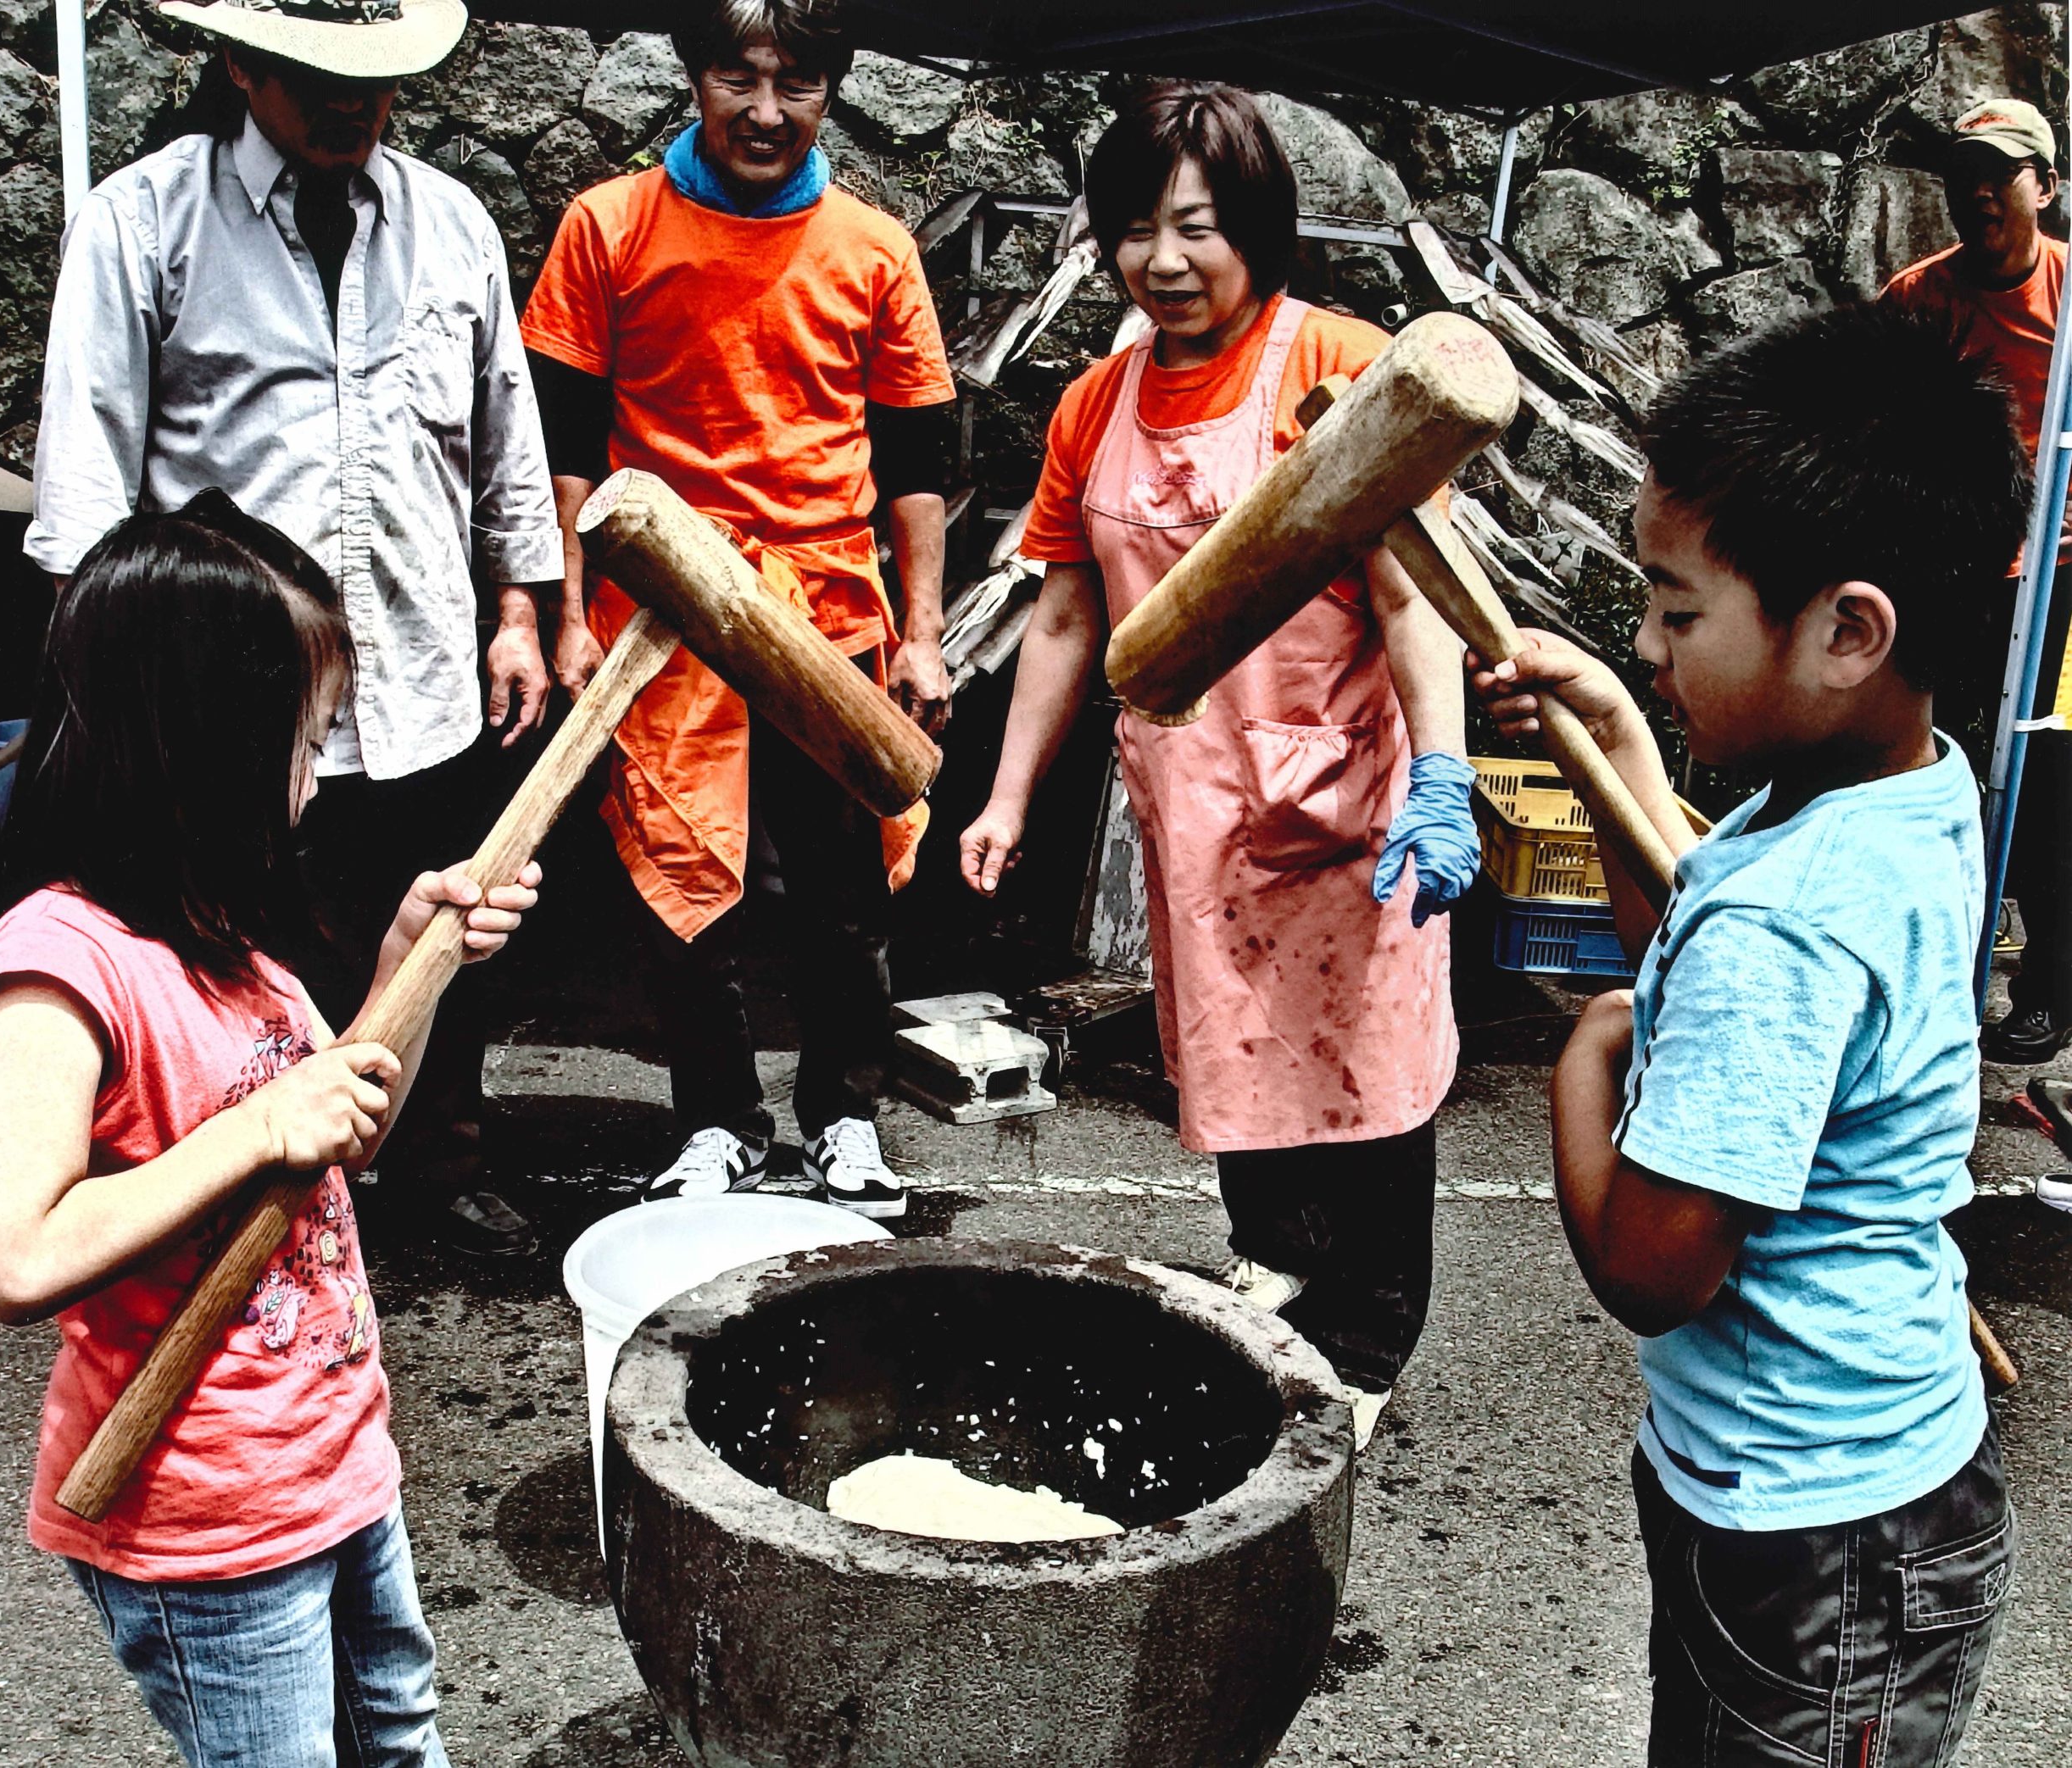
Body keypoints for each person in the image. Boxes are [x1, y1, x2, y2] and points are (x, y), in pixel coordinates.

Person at [1470, 304, 2023, 1764]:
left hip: (1820, 1544)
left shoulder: (1794, 918)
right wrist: (1616, 745)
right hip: (1830, 1498)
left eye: (1676, 611)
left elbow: (1653, 1268)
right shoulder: (1893, 791)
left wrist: (1586, 1060)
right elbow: (1690, 940)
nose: (1646, 643)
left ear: (1847, 632)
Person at [0, 492, 539, 1766]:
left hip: (336, 1459)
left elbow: (347, 1135)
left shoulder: (234, 948)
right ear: (200, 741)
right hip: (202, 1518)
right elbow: (12, 1254)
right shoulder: (59, 966)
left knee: (399, 1737)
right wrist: (260, 1127)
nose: (315, 776)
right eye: (303, 739)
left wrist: (411, 963)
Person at [957, 83, 1482, 1452]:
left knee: (1368, 1070)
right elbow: (1066, 615)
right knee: (1234, 1050)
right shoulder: (1094, 404)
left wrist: (1444, 773)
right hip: (1197, 802)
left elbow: (1415, 596)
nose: (1164, 260)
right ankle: (1279, 1256)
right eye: (1136, 230)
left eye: (1196, 226)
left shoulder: (1344, 368)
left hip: (1348, 798)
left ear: (1259, 226)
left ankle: (1368, 1334)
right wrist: (1007, 795)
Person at [24, 0, 562, 1254]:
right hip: (234, 696)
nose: (348, 103)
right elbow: (87, 485)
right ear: (241, 63)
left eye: (372, 80)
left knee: (441, 923)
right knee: (237, 951)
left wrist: (519, 610)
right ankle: (248, 1192)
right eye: (315, 75)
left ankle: (439, 1162)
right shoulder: (141, 222)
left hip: (423, 661)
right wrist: (116, 695)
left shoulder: (451, 223)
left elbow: (505, 438)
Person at [520, 0, 954, 1218]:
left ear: (830, 89)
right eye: (737, 76)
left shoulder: (874, 248)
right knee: (680, 875)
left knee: (846, 889)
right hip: (663, 604)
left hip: (826, 604)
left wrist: (922, 633)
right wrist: (567, 612)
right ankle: (714, 1120)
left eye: (795, 81)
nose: (765, 110)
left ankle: (847, 1115)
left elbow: (918, 459)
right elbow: (563, 443)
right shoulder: (608, 225)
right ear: (695, 76)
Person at [1880, 97, 2069, 1064]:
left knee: (2048, 772)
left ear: (2046, 186)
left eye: (1998, 175)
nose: (1979, 193)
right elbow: (1871, 423)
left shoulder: (2070, 290)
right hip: (1955, 562)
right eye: (1963, 176)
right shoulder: (1920, 299)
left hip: (2062, 572)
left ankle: (2051, 986)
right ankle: (1930, 979)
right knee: (1938, 762)